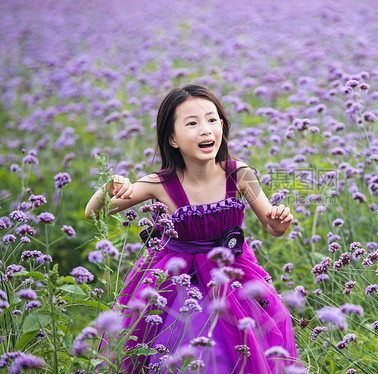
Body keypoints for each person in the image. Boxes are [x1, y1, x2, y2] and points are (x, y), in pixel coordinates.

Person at [85, 84, 303, 373]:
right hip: (179, 283)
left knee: (247, 346)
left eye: (212, 120)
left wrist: (279, 222)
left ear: (223, 127)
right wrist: (110, 186)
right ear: (172, 138)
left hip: (233, 278)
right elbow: (94, 213)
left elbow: (272, 225)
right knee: (191, 344)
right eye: (192, 123)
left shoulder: (239, 173)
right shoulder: (160, 183)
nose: (205, 130)